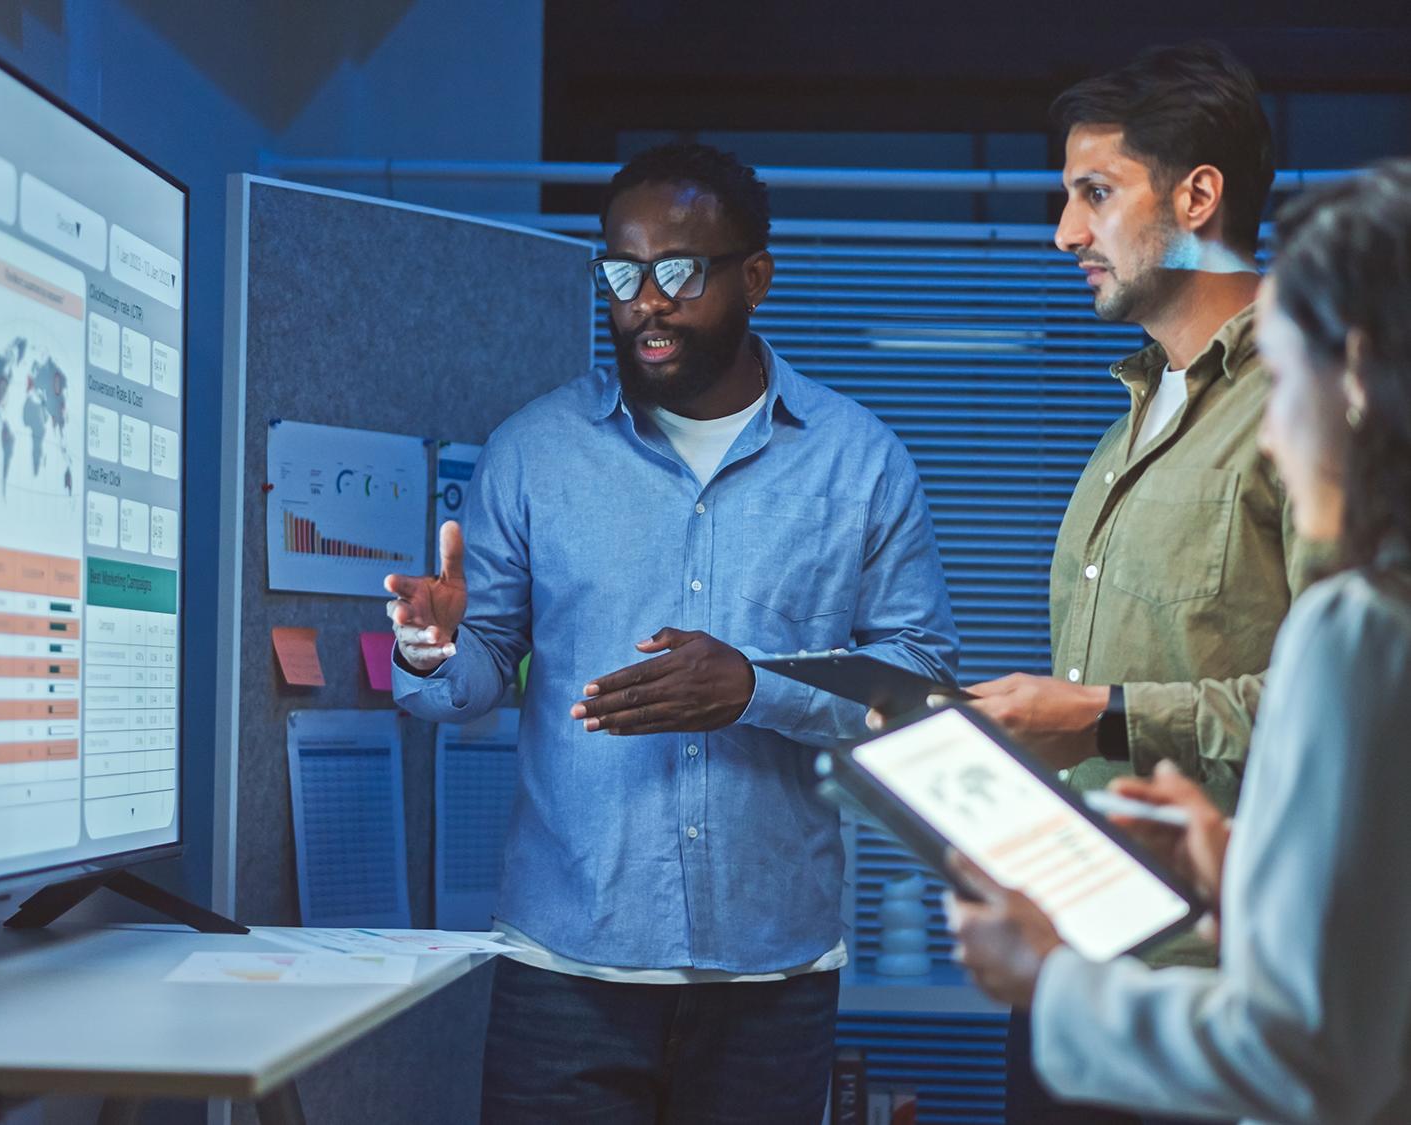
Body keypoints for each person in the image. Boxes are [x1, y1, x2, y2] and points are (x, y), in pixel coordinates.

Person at [385, 142, 958, 1124]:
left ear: (756, 276)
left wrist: (754, 688)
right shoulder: (535, 453)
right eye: (621, 269)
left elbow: (920, 686)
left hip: (770, 977)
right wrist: (431, 645)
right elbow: (473, 676)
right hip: (566, 970)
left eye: (679, 271)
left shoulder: (859, 464)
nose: (643, 299)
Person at [947, 158, 1411, 1125]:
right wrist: (1244, 868)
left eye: (1284, 380)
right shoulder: (1126, 430)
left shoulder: (1365, 628)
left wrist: (1048, 976)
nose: (1273, 436)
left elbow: (1310, 1059)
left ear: (1359, 377)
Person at [901, 42, 1310, 1125]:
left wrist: (1104, 716)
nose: (1063, 233)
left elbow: (1357, 710)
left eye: (1094, 193)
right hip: (1077, 963)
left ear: (1197, 196)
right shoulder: (1132, 419)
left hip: (1216, 993)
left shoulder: (1312, 412)